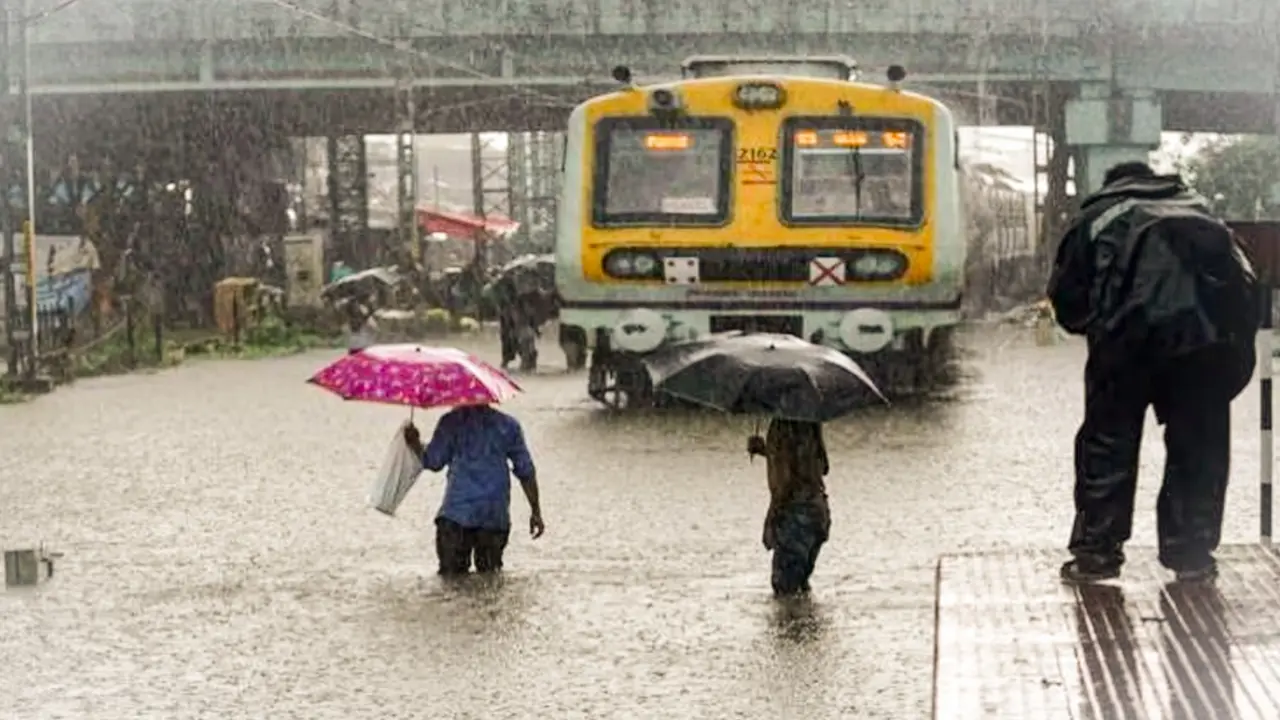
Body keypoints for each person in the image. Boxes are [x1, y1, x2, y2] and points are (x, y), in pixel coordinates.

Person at [1048, 161, 1259, 584]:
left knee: (1108, 444)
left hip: (1124, 345)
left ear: (1112, 183)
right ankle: (1192, 554)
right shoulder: (1200, 212)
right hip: (1201, 347)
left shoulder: (1096, 218)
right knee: (1198, 449)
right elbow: (1245, 289)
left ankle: (1097, 555)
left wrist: (1100, 324)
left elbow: (1067, 299)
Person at [403, 404, 545, 576]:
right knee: (489, 580)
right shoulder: (508, 425)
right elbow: (526, 470)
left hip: (456, 515)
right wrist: (535, 511)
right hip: (493, 515)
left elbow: (433, 461)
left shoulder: (451, 422)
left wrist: (415, 443)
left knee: (451, 582)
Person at [748, 418, 832, 596]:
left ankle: (796, 623)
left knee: (784, 590)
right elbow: (822, 467)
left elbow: (785, 481)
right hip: (818, 513)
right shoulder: (811, 422)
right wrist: (767, 451)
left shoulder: (782, 426)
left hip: (795, 518)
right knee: (801, 589)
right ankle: (809, 624)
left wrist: (772, 518)